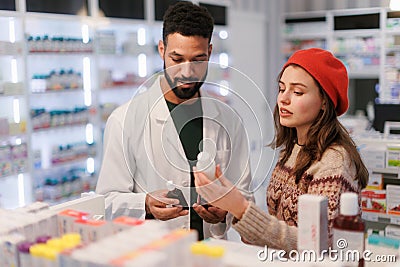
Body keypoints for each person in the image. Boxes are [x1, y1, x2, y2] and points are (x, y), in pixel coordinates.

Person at [95, 1, 253, 240]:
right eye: (177, 59)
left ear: (210, 52)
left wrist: (225, 212)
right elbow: (106, 201)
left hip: (211, 253)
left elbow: (245, 196)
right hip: (153, 253)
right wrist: (145, 204)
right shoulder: (124, 120)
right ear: (162, 50)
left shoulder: (229, 120)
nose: (187, 72)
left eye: (198, 59)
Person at [194, 48, 369, 251]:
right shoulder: (293, 149)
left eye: (297, 92)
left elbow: (316, 244)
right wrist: (229, 210)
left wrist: (240, 207)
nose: (283, 99)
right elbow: (279, 230)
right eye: (281, 88)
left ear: (324, 101)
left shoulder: (334, 162)